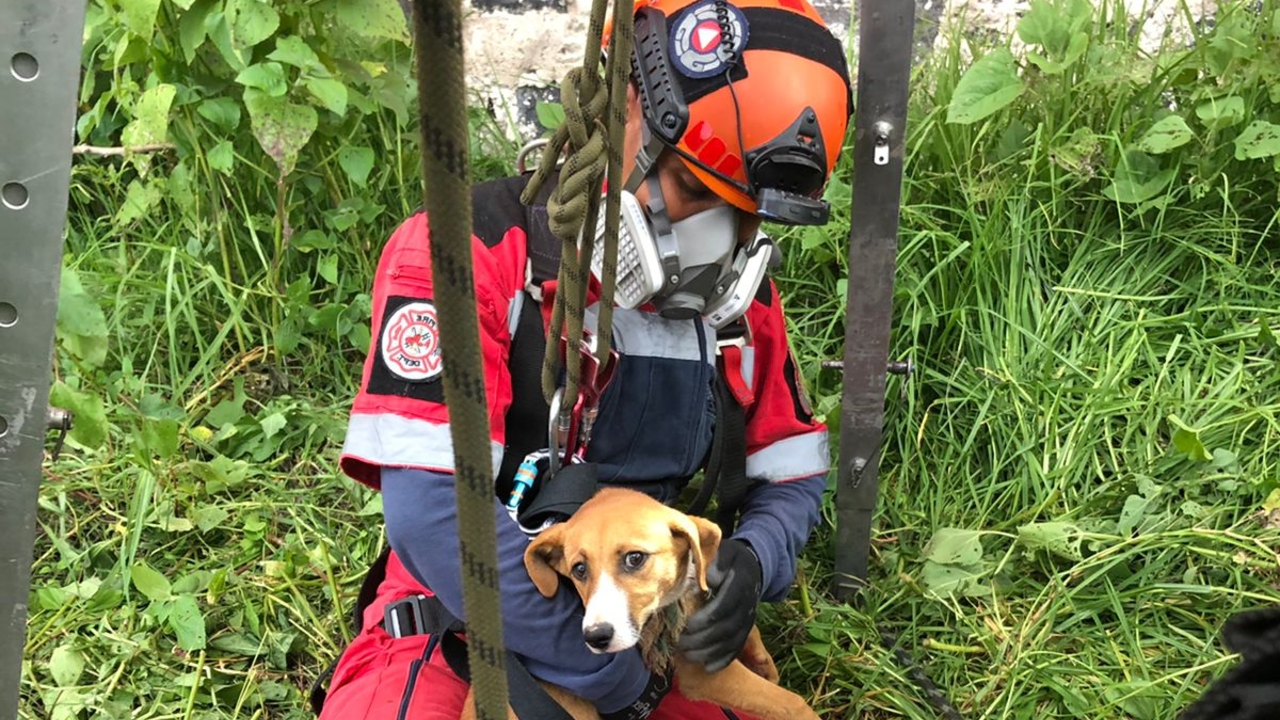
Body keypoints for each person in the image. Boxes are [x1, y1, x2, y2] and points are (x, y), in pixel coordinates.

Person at [314, 0, 853, 716]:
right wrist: (605, 675)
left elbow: (790, 471)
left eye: (746, 214)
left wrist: (750, 559)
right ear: (622, 107)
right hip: (471, 608)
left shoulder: (741, 305)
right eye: (696, 189)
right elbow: (433, 514)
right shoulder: (473, 249)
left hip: (651, 620)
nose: (714, 242)